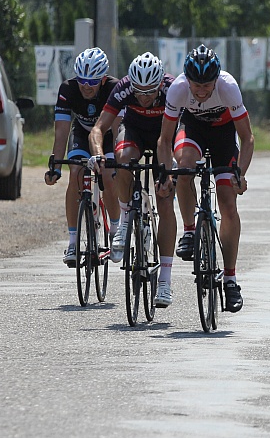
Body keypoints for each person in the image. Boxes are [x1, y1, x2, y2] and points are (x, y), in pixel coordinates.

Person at [155, 44, 254, 313]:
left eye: (206, 85)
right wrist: (166, 172)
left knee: (228, 203)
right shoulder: (177, 89)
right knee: (185, 167)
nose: (200, 91)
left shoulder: (228, 87)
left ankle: (231, 280)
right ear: (187, 80)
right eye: (195, 85)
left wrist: (240, 174)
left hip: (224, 136)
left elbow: (247, 138)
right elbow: (164, 139)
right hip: (193, 130)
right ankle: (189, 231)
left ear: (216, 79)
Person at [89, 52, 177, 307]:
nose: (144, 97)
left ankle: (165, 282)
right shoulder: (124, 88)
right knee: (123, 157)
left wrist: (170, 167)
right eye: (139, 92)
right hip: (135, 131)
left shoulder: (172, 89)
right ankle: (127, 219)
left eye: (150, 92)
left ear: (160, 84)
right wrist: (97, 156)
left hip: (165, 136)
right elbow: (98, 129)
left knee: (164, 201)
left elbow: (183, 128)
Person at [44, 47, 120, 266]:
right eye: (82, 81)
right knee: (75, 172)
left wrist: (116, 161)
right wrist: (55, 166)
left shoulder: (114, 89)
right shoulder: (68, 89)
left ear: (103, 79)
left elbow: (117, 129)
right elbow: (61, 131)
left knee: (107, 173)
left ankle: (115, 232)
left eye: (93, 82)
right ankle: (73, 241)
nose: (86, 87)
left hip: (106, 136)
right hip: (82, 132)